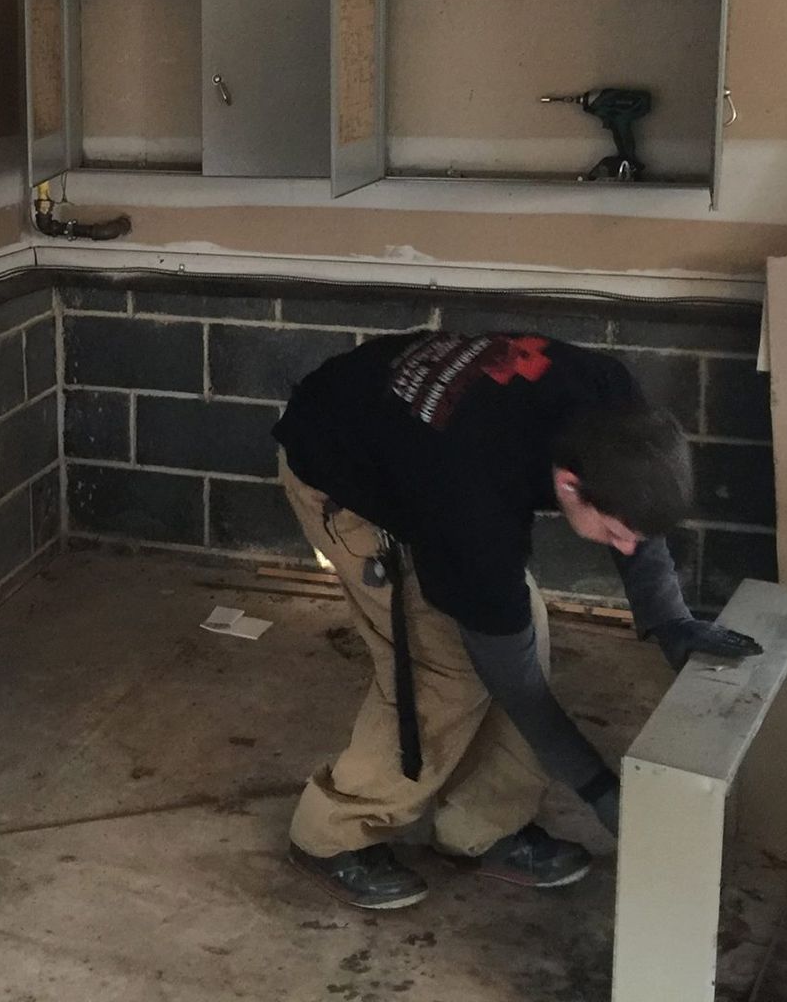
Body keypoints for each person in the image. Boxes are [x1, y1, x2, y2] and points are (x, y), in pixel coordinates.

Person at [272, 329, 761, 910]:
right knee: (444, 674)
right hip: (342, 465)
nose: (625, 547)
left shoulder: (614, 401)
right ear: (569, 486)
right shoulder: (476, 503)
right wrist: (601, 792)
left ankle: (481, 826)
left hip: (418, 448)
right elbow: (518, 687)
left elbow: (637, 525)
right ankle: (331, 835)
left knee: (521, 639)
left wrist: (669, 618)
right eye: (613, 534)